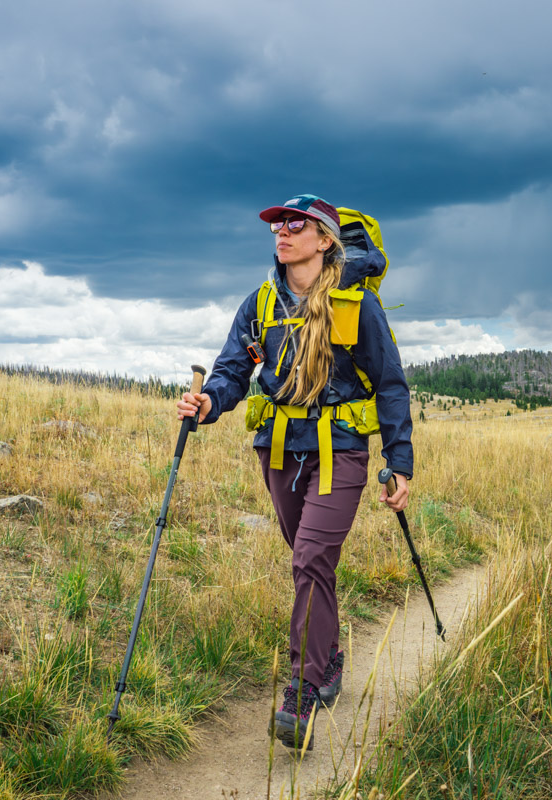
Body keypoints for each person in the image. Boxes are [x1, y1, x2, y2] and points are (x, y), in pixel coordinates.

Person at [176, 194, 413, 751]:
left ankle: (301, 692)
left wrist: (398, 461)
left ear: (325, 239)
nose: (282, 232)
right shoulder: (261, 304)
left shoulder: (357, 306)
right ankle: (329, 659)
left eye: (295, 225)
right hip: (279, 450)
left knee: (308, 559)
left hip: (341, 451)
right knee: (313, 564)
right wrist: (209, 402)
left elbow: (391, 383)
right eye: (277, 225)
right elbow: (232, 371)